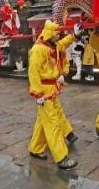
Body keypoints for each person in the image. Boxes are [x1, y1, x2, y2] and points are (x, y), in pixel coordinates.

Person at [27, 20, 78, 170]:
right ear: (50, 33)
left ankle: (35, 148)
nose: (58, 37)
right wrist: (38, 94)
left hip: (51, 89)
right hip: (44, 91)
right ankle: (61, 157)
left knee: (44, 121)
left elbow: (63, 43)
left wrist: (74, 35)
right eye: (56, 34)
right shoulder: (38, 49)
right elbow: (33, 72)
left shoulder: (51, 45)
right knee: (52, 123)